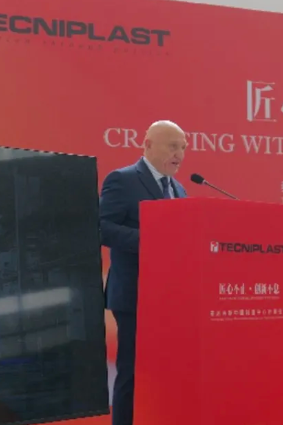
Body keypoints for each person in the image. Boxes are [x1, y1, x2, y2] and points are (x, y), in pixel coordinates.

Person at [99, 120, 188, 425]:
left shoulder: (179, 188)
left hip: (170, 297)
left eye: (183, 148)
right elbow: (101, 227)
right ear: (148, 144)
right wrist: (151, 239)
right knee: (133, 371)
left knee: (166, 372)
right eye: (173, 146)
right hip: (134, 294)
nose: (179, 154)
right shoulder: (123, 180)